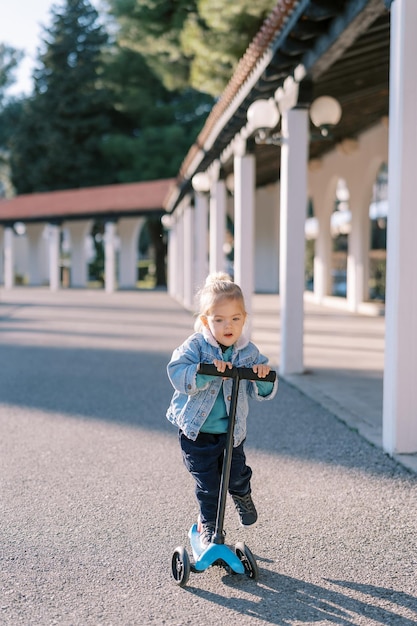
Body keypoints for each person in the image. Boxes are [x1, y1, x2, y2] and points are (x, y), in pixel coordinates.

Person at [166, 272, 278, 547]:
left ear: (244, 319)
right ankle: (211, 528)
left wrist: (262, 376)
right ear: (206, 321)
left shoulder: (248, 352)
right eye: (219, 320)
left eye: (235, 319)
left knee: (236, 475)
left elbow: (264, 391)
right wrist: (204, 373)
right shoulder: (195, 346)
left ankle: (242, 494)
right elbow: (177, 373)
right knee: (209, 486)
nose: (228, 326)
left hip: (231, 433)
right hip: (197, 433)